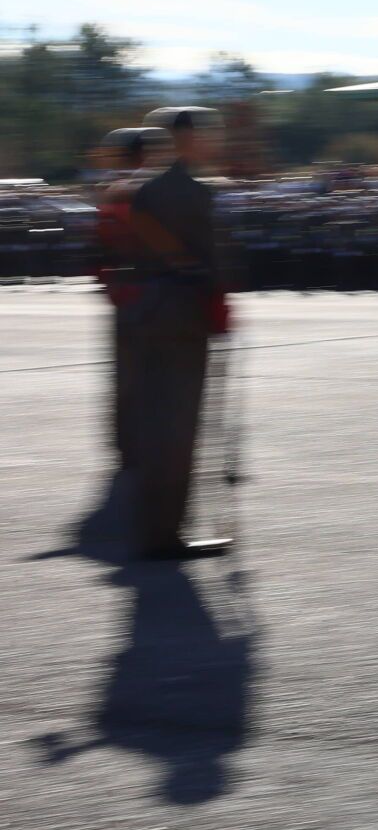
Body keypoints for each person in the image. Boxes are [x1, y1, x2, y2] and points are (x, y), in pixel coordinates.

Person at [126, 108, 232, 561]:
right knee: (180, 426)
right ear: (186, 138)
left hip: (148, 311)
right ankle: (167, 533)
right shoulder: (195, 193)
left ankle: (153, 527)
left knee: (155, 421)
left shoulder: (144, 191)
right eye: (205, 135)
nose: (212, 142)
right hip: (185, 313)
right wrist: (219, 305)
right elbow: (211, 259)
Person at [96, 126, 164, 474]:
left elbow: (99, 247)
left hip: (124, 293)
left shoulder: (113, 193)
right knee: (157, 373)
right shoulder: (155, 191)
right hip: (158, 293)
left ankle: (126, 443)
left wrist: (108, 283)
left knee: (125, 375)